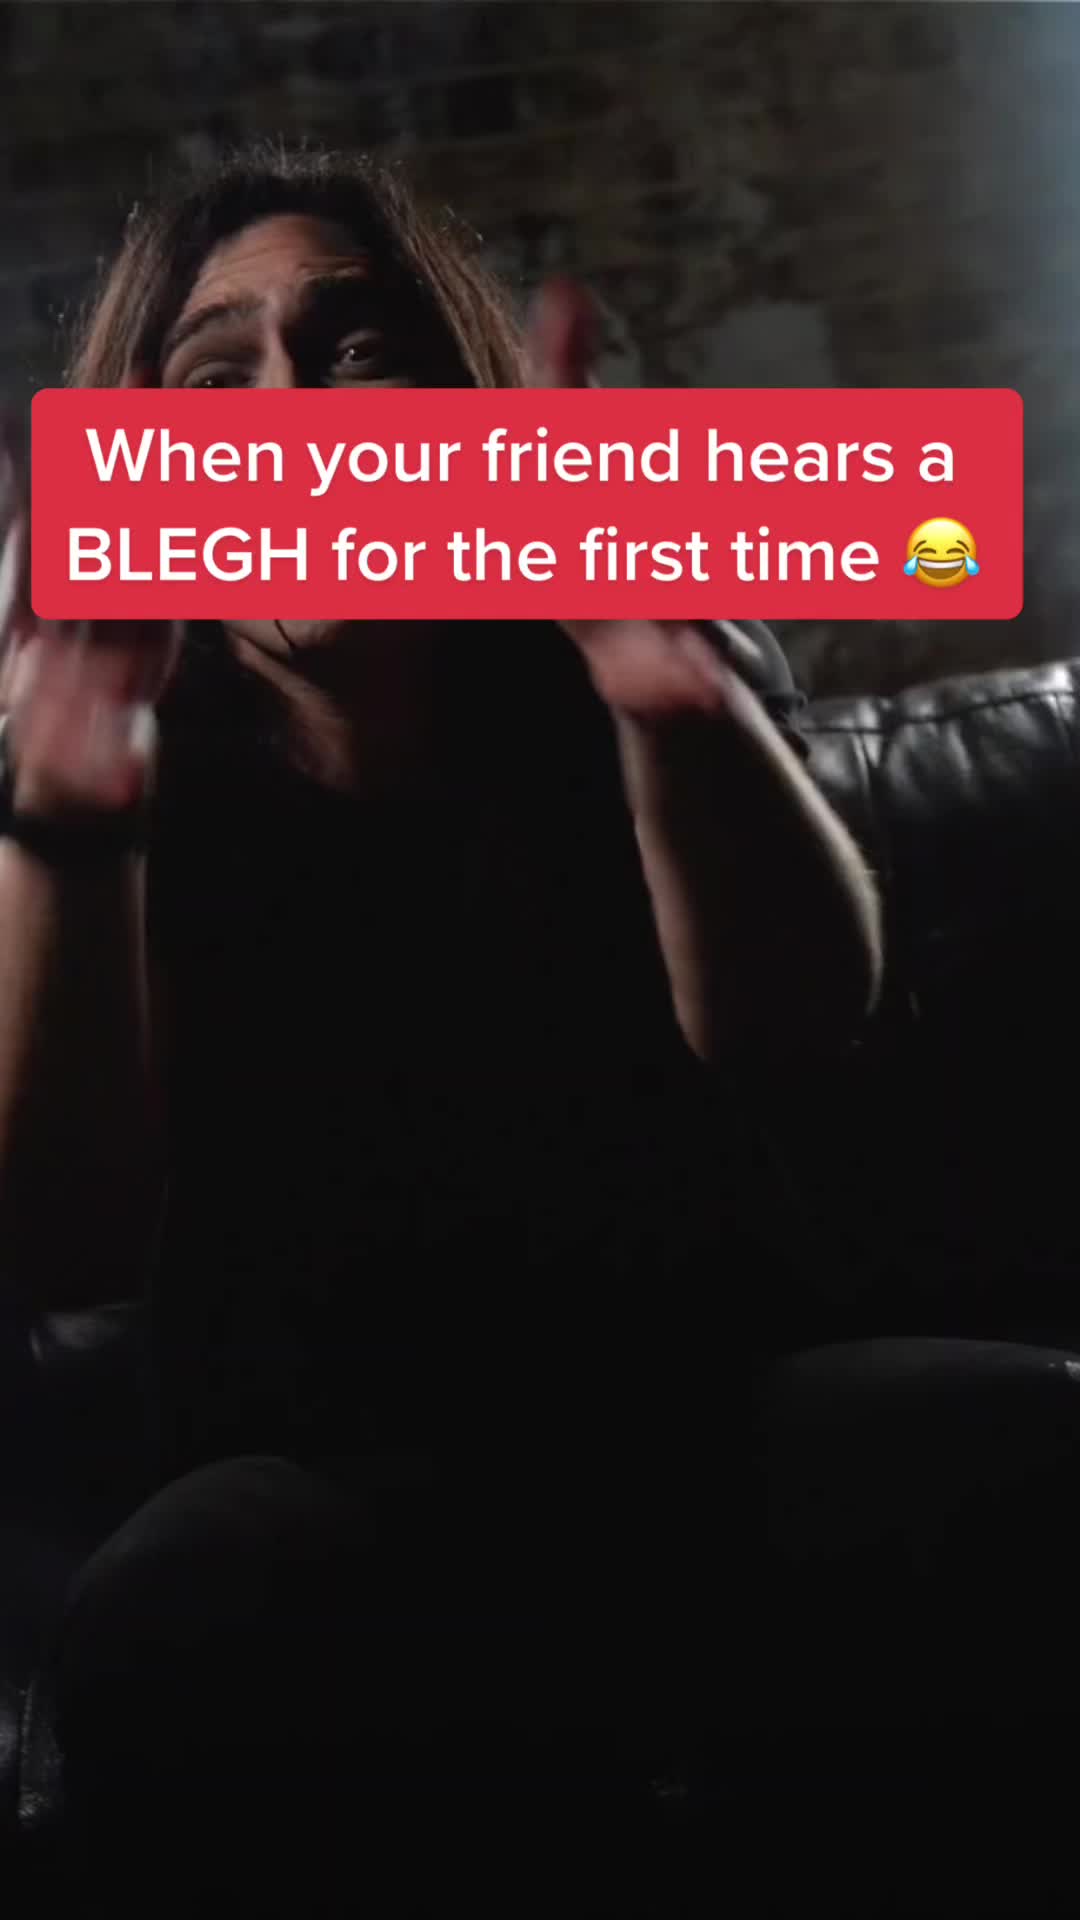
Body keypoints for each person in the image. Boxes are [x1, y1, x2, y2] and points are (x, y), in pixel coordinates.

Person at [0, 145, 884, 1908]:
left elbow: (800, 1022)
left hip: (715, 1411)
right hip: (311, 1481)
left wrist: (679, 711)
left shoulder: (620, 646)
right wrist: (73, 823)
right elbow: (61, 1234)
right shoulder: (114, 759)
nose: (295, 413)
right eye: (216, 381)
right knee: (198, 1606)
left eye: (357, 349)